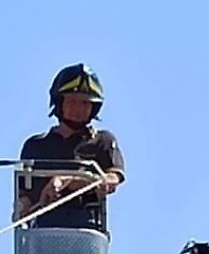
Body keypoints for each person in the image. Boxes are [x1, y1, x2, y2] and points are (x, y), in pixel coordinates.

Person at [14, 63, 127, 232]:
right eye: (72, 101)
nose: (78, 109)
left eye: (85, 103)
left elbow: (111, 180)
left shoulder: (102, 141)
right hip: (42, 235)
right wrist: (22, 208)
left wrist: (67, 181)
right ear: (59, 102)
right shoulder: (36, 146)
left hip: (86, 235)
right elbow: (24, 194)